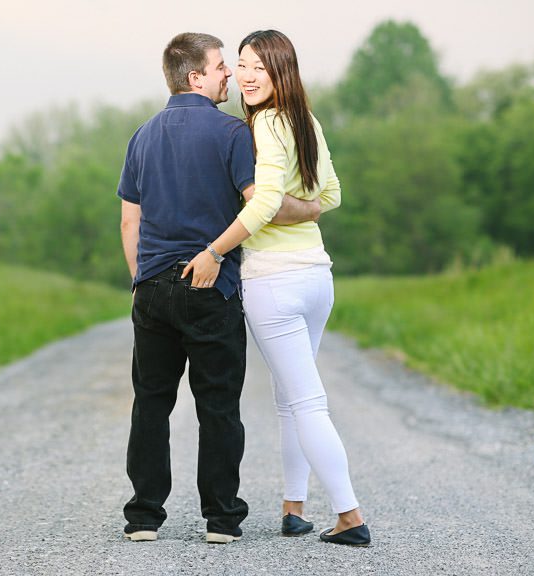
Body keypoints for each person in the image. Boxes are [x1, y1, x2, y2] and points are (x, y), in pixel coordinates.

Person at [118, 32, 319, 545]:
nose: (230, 74)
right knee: (218, 407)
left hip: (154, 288)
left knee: (151, 403)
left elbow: (129, 222)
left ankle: (143, 516)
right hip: (212, 285)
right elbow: (263, 204)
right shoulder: (233, 134)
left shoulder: (141, 136)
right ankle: (222, 520)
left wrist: (140, 281)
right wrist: (314, 207)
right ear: (195, 77)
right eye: (221, 67)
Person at [183, 29, 371, 546]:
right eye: (240, 65)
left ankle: (350, 517)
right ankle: (294, 507)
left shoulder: (264, 124)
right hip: (316, 276)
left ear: (280, 73)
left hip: (275, 280)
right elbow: (329, 194)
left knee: (306, 401)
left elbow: (263, 203)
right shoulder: (304, 120)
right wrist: (306, 208)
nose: (245, 76)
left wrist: (215, 251)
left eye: (258, 68)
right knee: (289, 398)